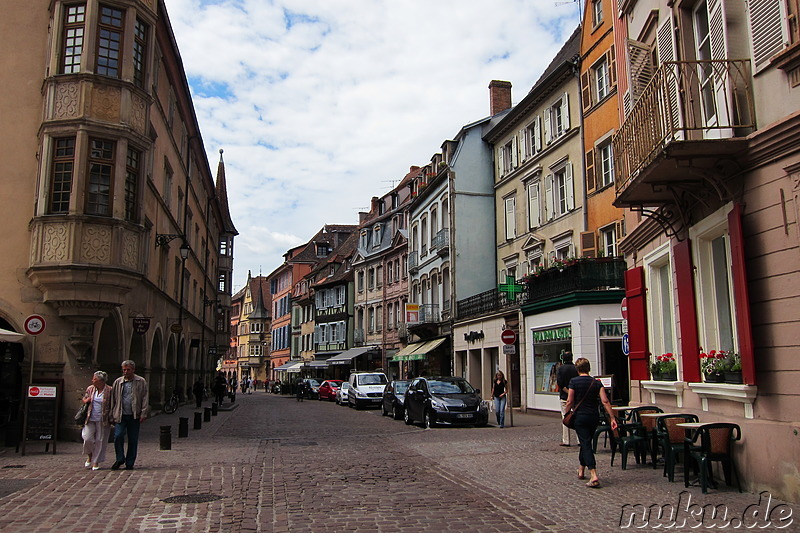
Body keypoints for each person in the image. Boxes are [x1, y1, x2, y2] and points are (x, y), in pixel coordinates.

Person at [564, 357, 618, 488]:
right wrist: (612, 418)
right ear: (589, 368)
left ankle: (593, 474)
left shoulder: (574, 382)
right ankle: (581, 470)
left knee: (586, 443)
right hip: (594, 417)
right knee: (586, 441)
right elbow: (605, 401)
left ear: (577, 369)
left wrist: (566, 413)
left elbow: (570, 401)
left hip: (580, 417)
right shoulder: (596, 382)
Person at [109, 360, 149, 471]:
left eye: (128, 370)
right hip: (120, 414)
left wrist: (144, 412)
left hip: (134, 415)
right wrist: (112, 413)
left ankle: (130, 462)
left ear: (133, 370)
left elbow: (145, 397)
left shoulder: (141, 381)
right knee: (118, 436)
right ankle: (120, 458)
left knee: (132, 439)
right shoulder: (118, 382)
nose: (126, 372)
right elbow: (113, 399)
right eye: (124, 370)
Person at [80, 371, 112, 470]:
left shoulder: (110, 390)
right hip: (90, 417)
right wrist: (86, 400)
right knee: (87, 438)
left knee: (100, 440)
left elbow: (112, 403)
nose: (92, 380)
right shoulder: (90, 389)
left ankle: (96, 461)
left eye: (94, 379)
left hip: (103, 419)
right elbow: (84, 398)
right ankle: (90, 455)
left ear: (100, 381)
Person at [556, 350, 579, 446]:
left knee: (565, 417)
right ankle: (579, 440)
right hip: (576, 397)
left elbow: (560, 384)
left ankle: (566, 440)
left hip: (565, 397)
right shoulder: (576, 368)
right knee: (577, 417)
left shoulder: (561, 369)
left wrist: (568, 392)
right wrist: (573, 393)